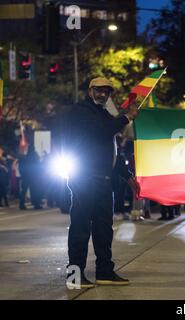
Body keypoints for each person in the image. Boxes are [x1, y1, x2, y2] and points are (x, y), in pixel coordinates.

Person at [61, 77, 140, 288]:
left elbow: (113, 151)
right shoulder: (81, 111)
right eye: (98, 90)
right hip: (84, 178)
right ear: (90, 91)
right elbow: (99, 132)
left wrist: (129, 176)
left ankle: (105, 272)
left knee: (104, 229)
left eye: (106, 91)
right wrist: (125, 117)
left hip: (104, 180)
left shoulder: (105, 115)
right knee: (80, 227)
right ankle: (74, 277)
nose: (103, 94)